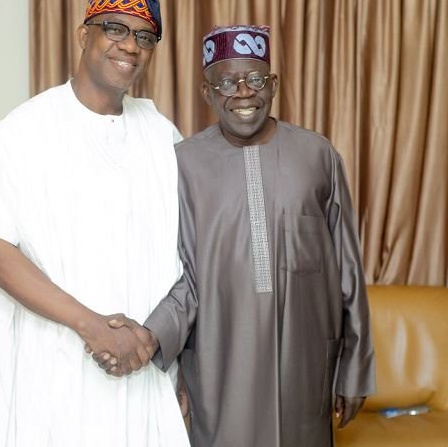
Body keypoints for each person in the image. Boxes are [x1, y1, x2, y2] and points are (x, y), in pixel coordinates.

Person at [95, 24, 375, 446]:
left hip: (305, 366)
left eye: (255, 79)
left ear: (273, 86)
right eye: (226, 82)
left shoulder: (318, 156)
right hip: (221, 369)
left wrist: (354, 368)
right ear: (207, 93)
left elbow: (348, 271)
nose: (243, 93)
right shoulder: (182, 166)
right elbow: (182, 278)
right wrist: (149, 339)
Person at [0, 0, 189, 447]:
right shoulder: (23, 133)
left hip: (145, 372)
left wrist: (160, 345)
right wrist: (93, 326)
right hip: (57, 371)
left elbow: (188, 254)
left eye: (145, 37)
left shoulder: (161, 136)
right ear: (85, 35)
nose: (130, 46)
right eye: (114, 29)